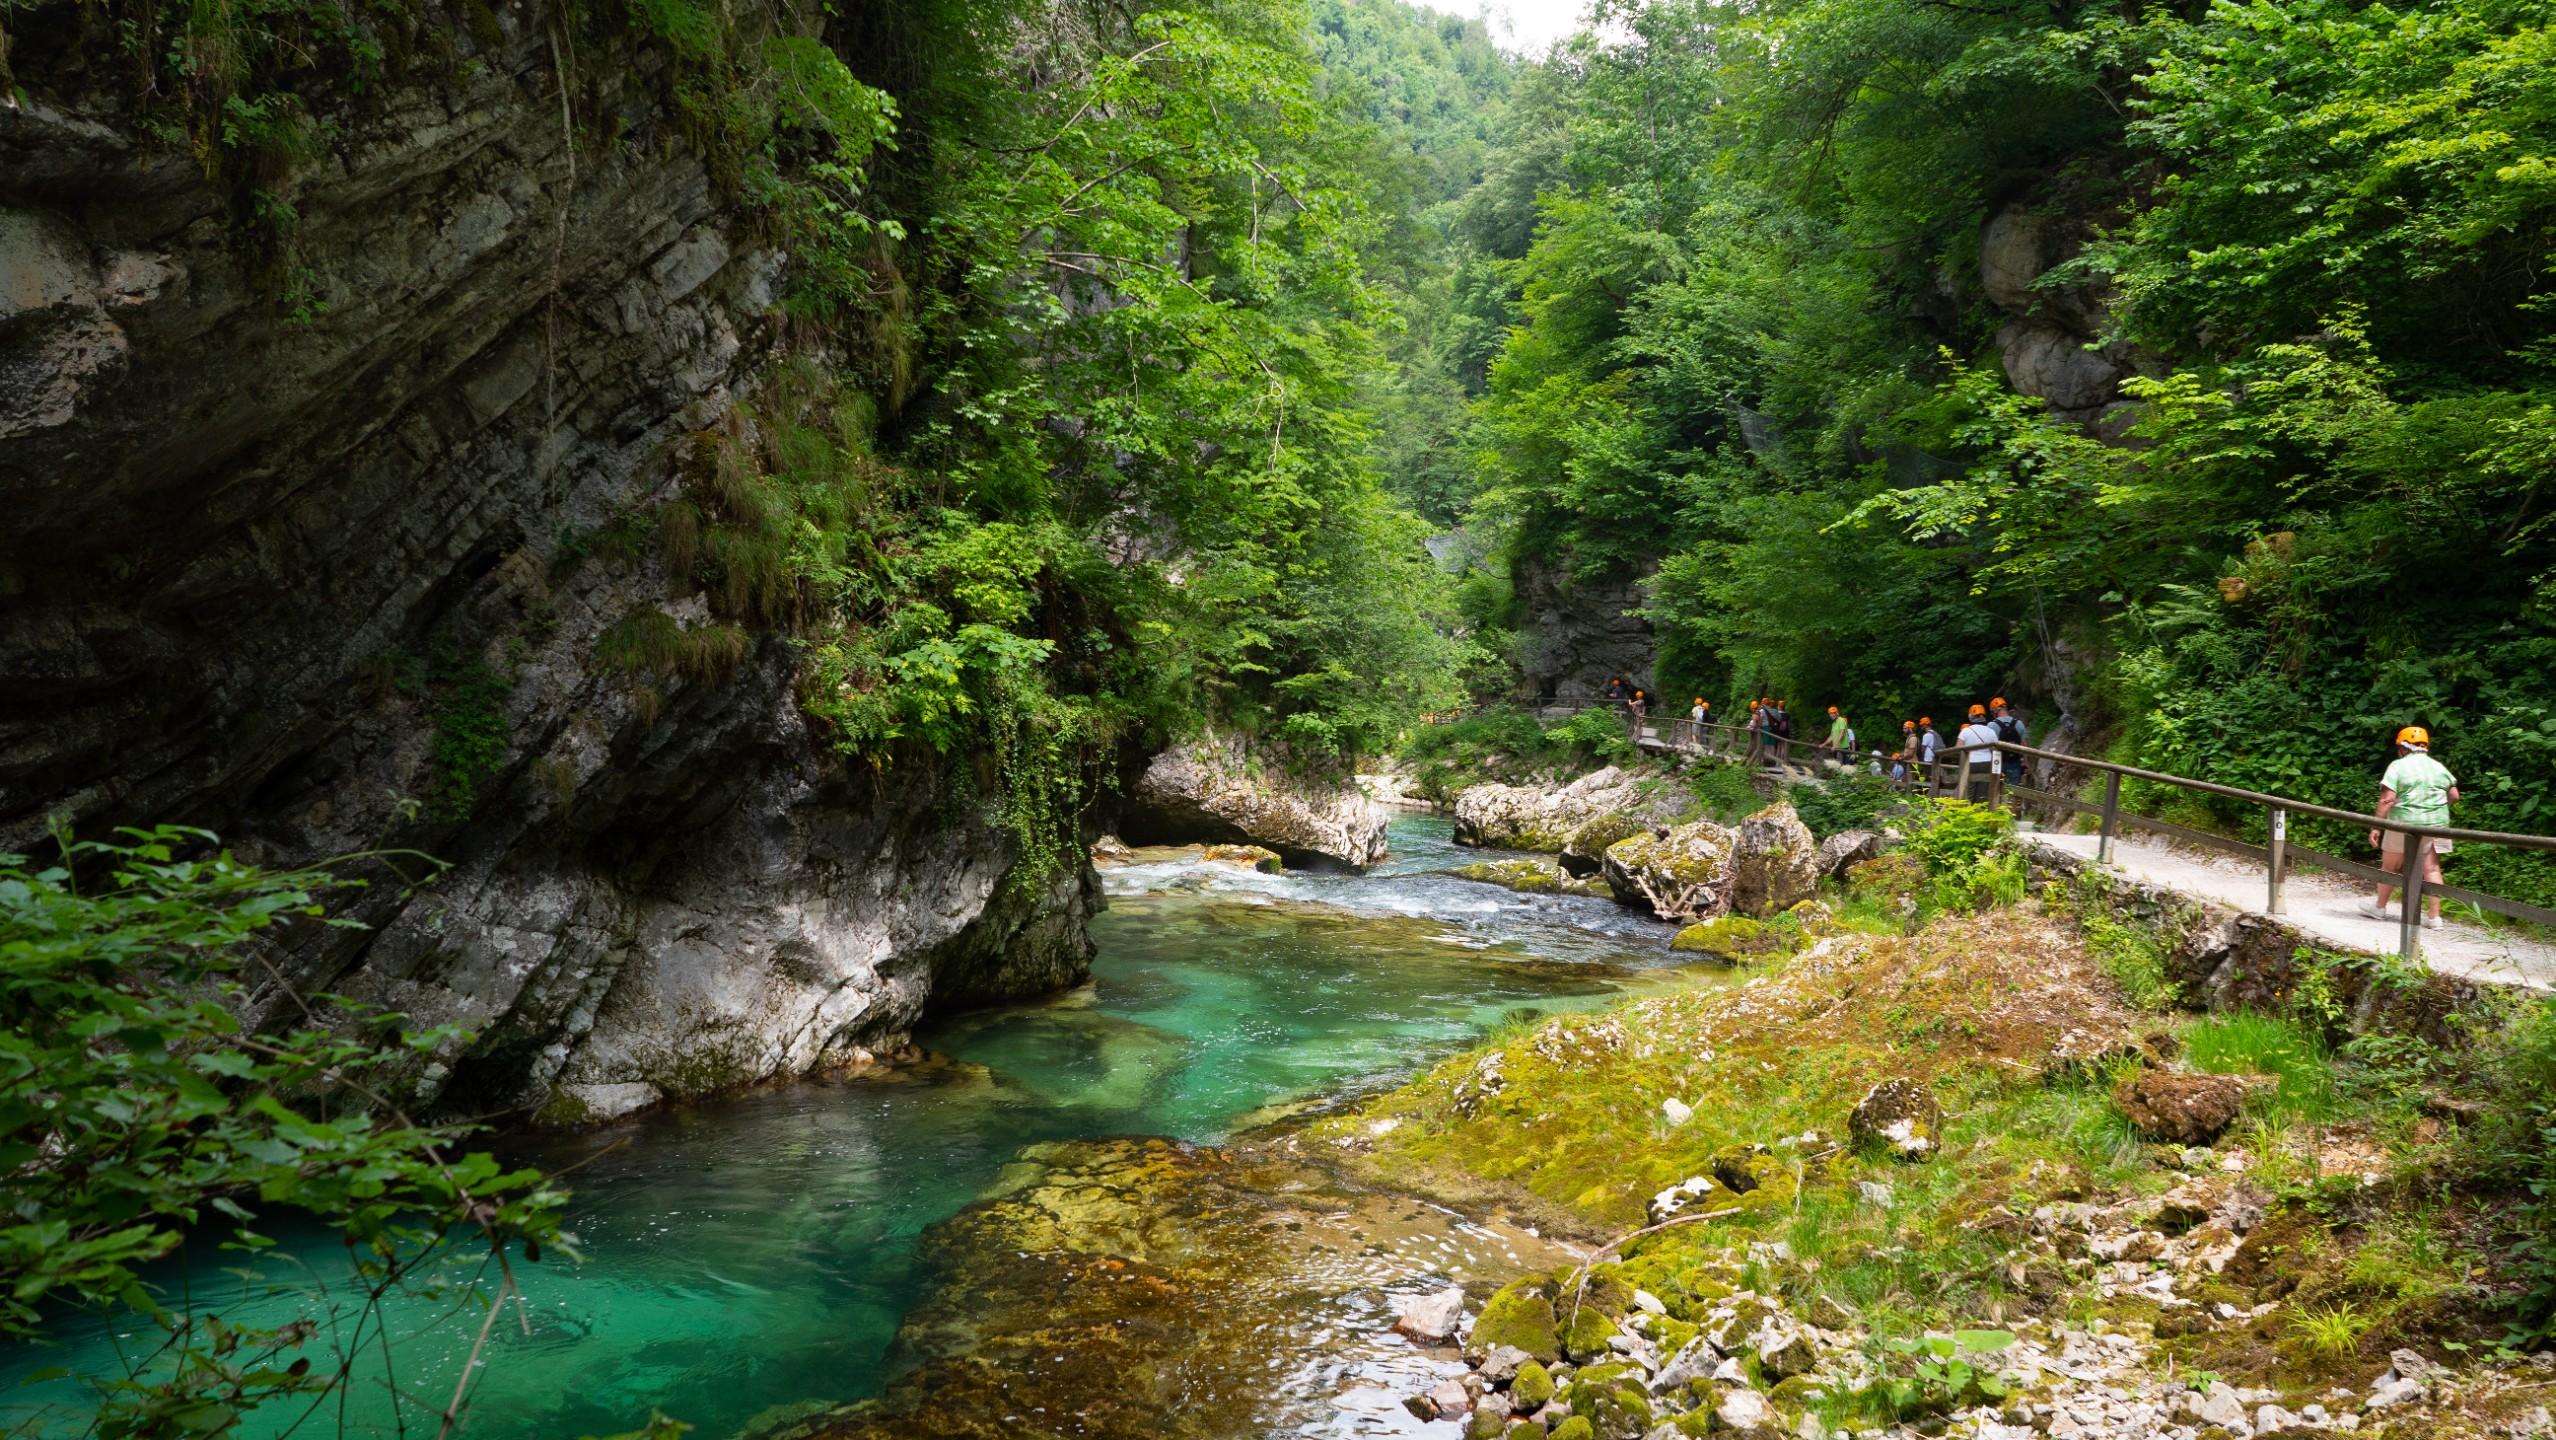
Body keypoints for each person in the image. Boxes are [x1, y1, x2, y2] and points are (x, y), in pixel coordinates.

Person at [2364, 726, 2460, 929]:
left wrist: (2376, 827)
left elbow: (2387, 799)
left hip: (2404, 823)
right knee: (2432, 869)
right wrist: (2434, 809)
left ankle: (2379, 908)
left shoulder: (2398, 766)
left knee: (2390, 867)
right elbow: (2454, 796)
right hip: (2437, 825)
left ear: (2403, 748)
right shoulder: (2438, 767)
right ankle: (2434, 918)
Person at [1955, 705, 2001, 800]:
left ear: (1971, 717)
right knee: (1983, 790)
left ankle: (1968, 806)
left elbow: (1958, 748)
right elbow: (1996, 751)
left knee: (1969, 790)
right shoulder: (1991, 731)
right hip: (1986, 763)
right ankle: (1981, 806)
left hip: (1970, 763)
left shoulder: (1965, 731)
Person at [1991, 698, 2028, 787]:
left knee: (1997, 787)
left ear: (1995, 711)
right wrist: (2026, 763)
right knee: (2013, 788)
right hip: (2015, 760)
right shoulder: (2019, 723)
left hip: (1998, 761)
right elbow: (2025, 745)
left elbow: (1990, 747)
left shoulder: (1991, 725)